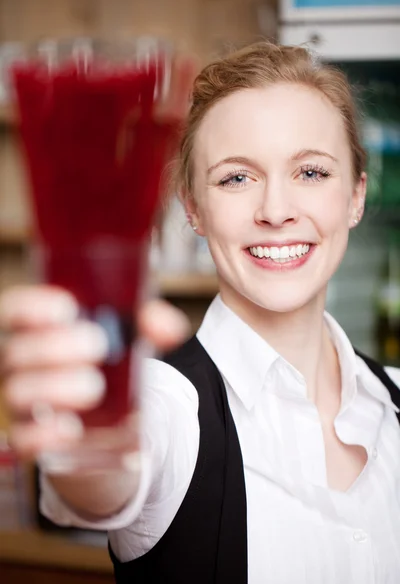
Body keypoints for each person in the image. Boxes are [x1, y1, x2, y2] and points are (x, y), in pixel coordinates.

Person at [1, 41, 400, 584]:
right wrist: (90, 431)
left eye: (311, 172)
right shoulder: (164, 404)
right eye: (237, 177)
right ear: (192, 207)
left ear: (356, 195)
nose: (277, 212)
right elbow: (105, 484)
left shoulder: (394, 401)